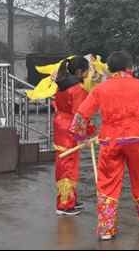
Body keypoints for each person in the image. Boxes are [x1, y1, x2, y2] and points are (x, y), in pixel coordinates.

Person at [71, 50, 139, 240]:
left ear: (110, 68)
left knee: (108, 182)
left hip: (110, 140)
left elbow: (81, 114)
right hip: (137, 138)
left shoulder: (101, 88)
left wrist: (82, 135)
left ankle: (106, 228)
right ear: (129, 67)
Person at [52, 56, 90, 216]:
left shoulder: (61, 86)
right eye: (87, 71)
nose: (88, 74)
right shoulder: (77, 89)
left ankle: (69, 199)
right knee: (68, 167)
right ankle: (65, 204)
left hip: (60, 125)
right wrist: (84, 136)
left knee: (63, 164)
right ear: (80, 71)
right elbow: (79, 115)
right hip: (70, 129)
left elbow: (56, 104)